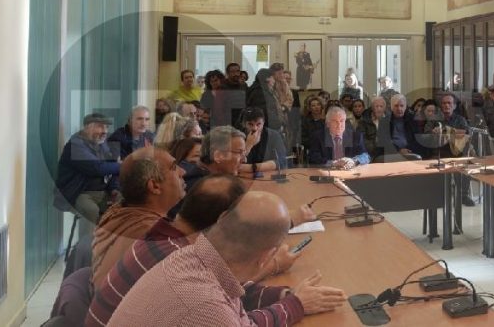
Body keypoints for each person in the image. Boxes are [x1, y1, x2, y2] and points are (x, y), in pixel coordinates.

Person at [87, 175, 341, 327]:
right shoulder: (204, 304)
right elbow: (225, 315)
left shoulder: (190, 256)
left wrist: (288, 296)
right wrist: (295, 304)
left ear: (222, 220)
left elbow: (236, 306)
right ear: (266, 257)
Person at [90, 148, 185, 289]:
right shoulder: (152, 236)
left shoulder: (119, 212)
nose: (183, 172)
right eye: (174, 167)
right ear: (154, 186)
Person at [56, 113, 121, 242]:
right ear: (87, 127)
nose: (104, 131)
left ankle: (112, 246)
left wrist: (114, 188)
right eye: (100, 127)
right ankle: (86, 249)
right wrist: (120, 166)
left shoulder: (103, 144)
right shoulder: (75, 145)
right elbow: (97, 168)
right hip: (79, 193)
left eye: (106, 127)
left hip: (103, 192)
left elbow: (111, 169)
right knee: (91, 210)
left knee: (125, 203)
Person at [182, 126, 248, 188]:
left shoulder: (208, 176)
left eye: (244, 153)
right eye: (239, 152)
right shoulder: (202, 186)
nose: (245, 160)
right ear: (218, 156)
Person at [238, 107, 288, 175]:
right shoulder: (237, 137)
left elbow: (283, 162)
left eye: (258, 124)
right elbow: (234, 164)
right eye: (250, 124)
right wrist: (248, 145)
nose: (255, 128)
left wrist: (252, 167)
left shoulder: (274, 136)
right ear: (244, 124)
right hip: (243, 177)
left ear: (263, 123)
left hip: (268, 176)